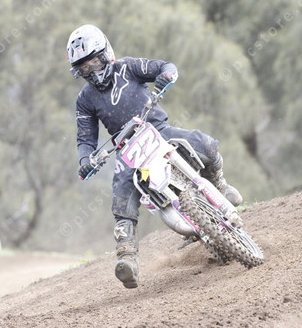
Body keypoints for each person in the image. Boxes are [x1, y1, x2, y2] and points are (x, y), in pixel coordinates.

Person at [67, 24, 243, 289]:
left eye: (93, 62)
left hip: (158, 129)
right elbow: (85, 139)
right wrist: (85, 161)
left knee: (206, 144)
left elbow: (164, 66)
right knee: (121, 195)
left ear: (105, 54)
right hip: (128, 151)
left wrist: (166, 75)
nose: (91, 71)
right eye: (83, 68)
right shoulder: (85, 100)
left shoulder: (128, 67)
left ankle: (219, 185)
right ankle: (127, 258)